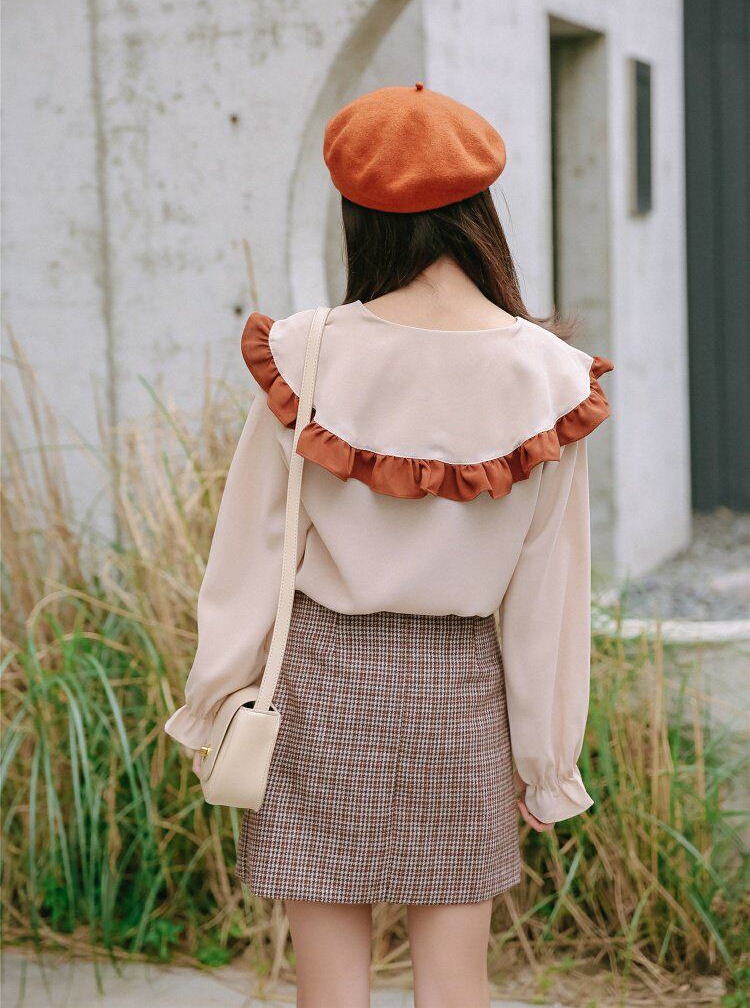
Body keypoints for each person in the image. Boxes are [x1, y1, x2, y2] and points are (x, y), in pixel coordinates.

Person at [165, 83, 614, 1008]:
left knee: (329, 990)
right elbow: (548, 594)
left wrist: (212, 705)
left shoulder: (309, 352)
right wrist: (545, 761)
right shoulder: (550, 375)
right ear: (478, 206)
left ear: (359, 213)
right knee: (456, 985)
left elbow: (252, 550)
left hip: (320, 689)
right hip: (463, 696)